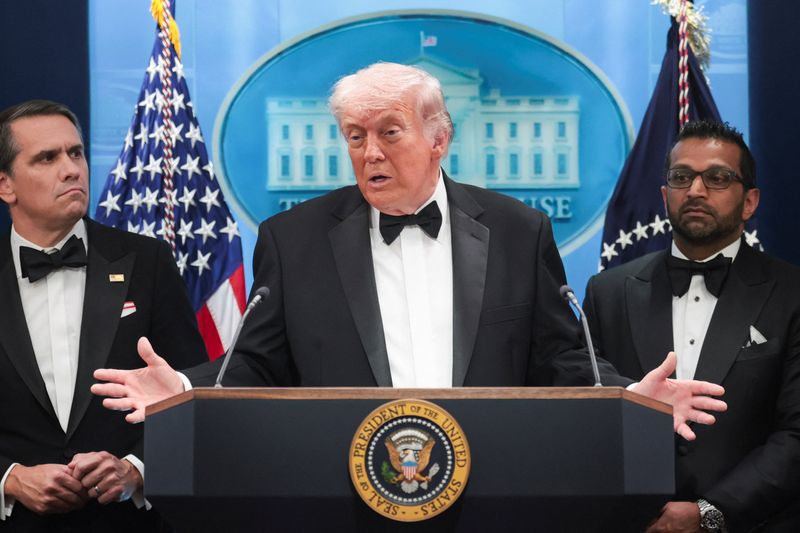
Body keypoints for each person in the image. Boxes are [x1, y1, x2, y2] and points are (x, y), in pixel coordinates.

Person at [93, 62, 725, 443]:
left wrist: (628, 400)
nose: (370, 153)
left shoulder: (516, 230)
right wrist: (181, 387)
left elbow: (562, 357)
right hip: (339, 490)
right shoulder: (295, 240)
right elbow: (255, 364)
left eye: (389, 133)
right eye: (355, 136)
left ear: (438, 139)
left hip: (495, 489)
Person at [0, 100, 207, 532]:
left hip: (127, 522)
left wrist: (135, 470)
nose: (72, 169)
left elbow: (192, 393)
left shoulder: (148, 261)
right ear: (6, 185)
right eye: (47, 158)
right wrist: (10, 479)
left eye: (75, 153)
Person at [584, 120, 800, 533]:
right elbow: (588, 412)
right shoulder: (607, 291)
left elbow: (795, 435)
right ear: (665, 195)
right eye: (682, 177)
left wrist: (710, 513)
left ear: (750, 201)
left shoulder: (792, 294)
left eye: (717, 177)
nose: (696, 191)